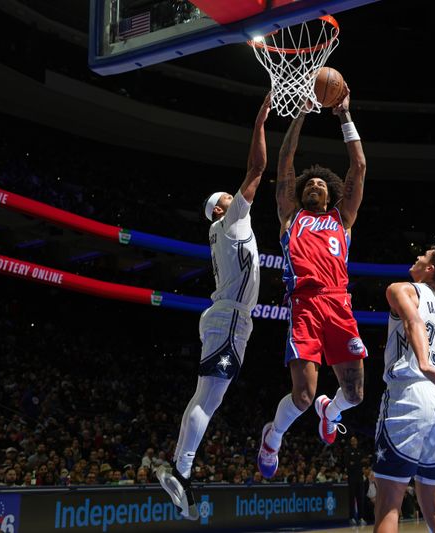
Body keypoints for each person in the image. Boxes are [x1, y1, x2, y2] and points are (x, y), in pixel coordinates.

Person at [158, 95, 271, 519]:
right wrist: (259, 121)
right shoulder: (231, 221)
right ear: (220, 208)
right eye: (229, 195)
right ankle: (181, 471)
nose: (235, 195)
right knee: (208, 397)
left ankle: (181, 469)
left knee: (209, 397)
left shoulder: (223, 231)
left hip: (228, 319)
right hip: (228, 319)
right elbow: (257, 170)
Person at [258, 87, 368, 477]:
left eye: (322, 184)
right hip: (305, 306)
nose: (315, 185)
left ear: (331, 191)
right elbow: (285, 162)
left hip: (339, 306)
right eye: (310, 184)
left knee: (354, 395)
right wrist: (301, 113)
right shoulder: (290, 216)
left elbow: (358, 168)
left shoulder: (343, 219)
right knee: (302, 396)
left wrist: (344, 116)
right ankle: (273, 437)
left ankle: (330, 409)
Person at [371, 244, 435, 533]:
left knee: (388, 504)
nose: (417, 257)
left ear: (431, 268)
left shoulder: (404, 289)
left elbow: (414, 322)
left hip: (411, 392)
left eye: (423, 255)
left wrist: (423, 362)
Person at [345, 436, 366, 526]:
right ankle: (352, 518)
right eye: (352, 440)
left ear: (357, 441)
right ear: (350, 442)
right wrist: (358, 462)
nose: (354, 441)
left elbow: (364, 462)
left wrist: (355, 462)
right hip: (352, 478)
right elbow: (348, 464)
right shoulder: (348, 451)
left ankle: (361, 518)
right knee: (352, 498)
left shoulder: (360, 451)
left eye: (355, 440)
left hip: (359, 478)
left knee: (360, 497)